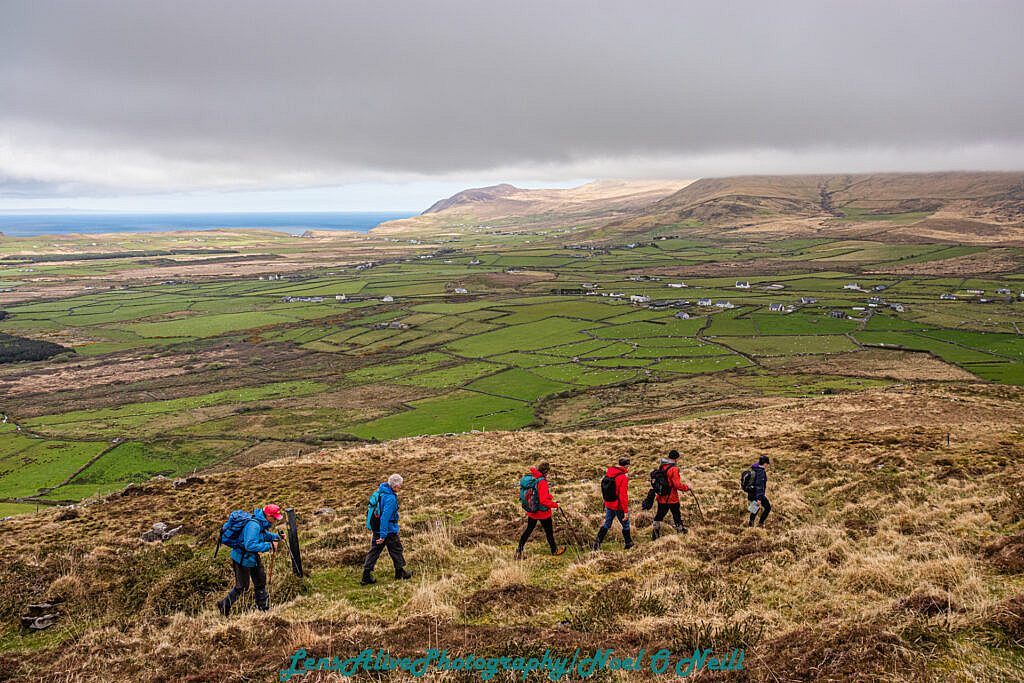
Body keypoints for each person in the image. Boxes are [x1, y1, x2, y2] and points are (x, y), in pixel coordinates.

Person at [217, 503, 283, 616]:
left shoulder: (260, 523)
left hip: (252, 557)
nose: (275, 520)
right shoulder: (254, 525)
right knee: (242, 587)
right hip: (242, 558)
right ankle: (224, 604)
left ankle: (263, 609)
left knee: (260, 580)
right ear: (268, 515)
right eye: (274, 518)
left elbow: (263, 535)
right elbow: (250, 545)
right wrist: (269, 546)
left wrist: (276, 537)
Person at [362, 473, 413, 585]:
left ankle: (366, 576)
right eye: (400, 485)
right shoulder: (390, 498)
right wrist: (383, 535)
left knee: (374, 551)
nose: (401, 487)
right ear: (395, 485)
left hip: (377, 528)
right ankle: (400, 573)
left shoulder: (380, 491)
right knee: (396, 550)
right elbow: (384, 518)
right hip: (388, 530)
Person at [515, 462, 566, 558]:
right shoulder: (542, 482)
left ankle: (519, 550)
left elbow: (538, 495)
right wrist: (555, 505)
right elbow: (543, 500)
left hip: (532, 511)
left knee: (528, 530)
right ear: (546, 472)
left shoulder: (533, 478)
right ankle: (554, 550)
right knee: (549, 532)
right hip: (543, 512)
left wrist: (549, 496)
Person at [593, 457, 634, 550]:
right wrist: (626, 511)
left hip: (609, 503)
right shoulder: (622, 477)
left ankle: (597, 543)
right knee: (626, 525)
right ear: (626, 465)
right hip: (618, 505)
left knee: (607, 524)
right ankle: (628, 543)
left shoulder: (609, 473)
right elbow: (623, 495)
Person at [652, 449, 690, 539]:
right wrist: (687, 487)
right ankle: (680, 531)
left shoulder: (662, 466)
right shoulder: (674, 469)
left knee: (659, 515)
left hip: (661, 496)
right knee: (676, 514)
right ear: (676, 459)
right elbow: (677, 485)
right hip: (672, 497)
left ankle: (655, 533)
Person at [746, 456, 772, 527]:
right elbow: (759, 486)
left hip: (752, 493)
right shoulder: (761, 472)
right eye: (767, 463)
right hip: (758, 494)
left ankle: (750, 524)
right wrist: (759, 499)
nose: (768, 465)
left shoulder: (755, 468)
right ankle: (760, 524)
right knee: (767, 507)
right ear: (765, 464)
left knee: (755, 508)